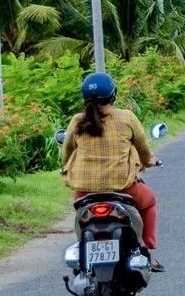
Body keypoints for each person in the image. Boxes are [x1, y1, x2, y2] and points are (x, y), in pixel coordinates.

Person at [60, 72, 164, 271]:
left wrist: (66, 167)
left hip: (84, 192)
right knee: (149, 202)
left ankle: (85, 248)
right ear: (112, 95)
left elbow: (66, 152)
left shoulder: (77, 120)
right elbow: (143, 150)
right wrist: (147, 162)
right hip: (123, 188)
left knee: (81, 219)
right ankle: (146, 248)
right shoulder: (126, 117)